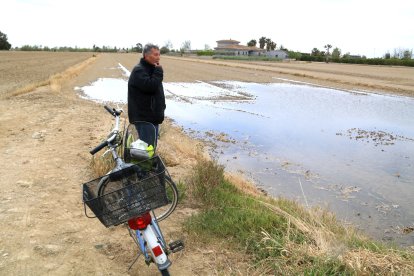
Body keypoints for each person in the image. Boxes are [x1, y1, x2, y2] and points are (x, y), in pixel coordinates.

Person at [128, 43, 166, 149]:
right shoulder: (139, 70)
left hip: (152, 117)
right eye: (155, 54)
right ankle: (143, 165)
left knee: (150, 148)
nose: (158, 57)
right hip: (144, 118)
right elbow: (151, 86)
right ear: (146, 55)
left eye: (159, 55)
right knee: (146, 150)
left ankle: (148, 164)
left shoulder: (151, 69)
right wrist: (159, 71)